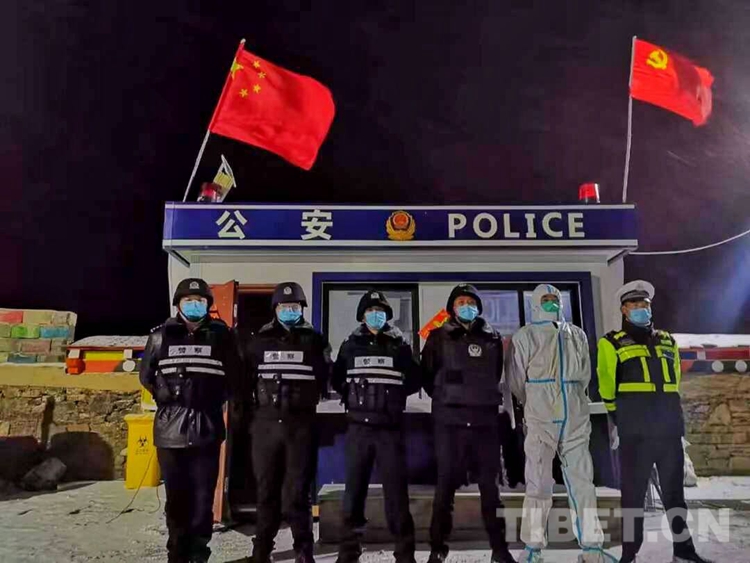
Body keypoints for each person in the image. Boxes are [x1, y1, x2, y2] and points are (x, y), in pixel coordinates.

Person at [597, 280, 713, 563]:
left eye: (645, 304)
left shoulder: (667, 340)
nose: (641, 309)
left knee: (675, 495)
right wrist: (620, 419)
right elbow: (606, 385)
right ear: (624, 310)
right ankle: (629, 553)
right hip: (635, 433)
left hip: (668, 430)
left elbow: (675, 380)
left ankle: (683, 552)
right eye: (635, 304)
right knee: (633, 496)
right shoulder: (611, 342)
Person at [506, 284, 612, 563]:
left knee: (583, 483)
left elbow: (585, 374)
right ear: (535, 303)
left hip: (575, 417)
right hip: (541, 418)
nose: (552, 303)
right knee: (538, 482)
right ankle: (533, 547)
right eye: (546, 299)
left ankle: (592, 548)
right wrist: (536, 401)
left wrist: (572, 397)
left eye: (555, 298)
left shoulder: (576, 334)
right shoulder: (525, 336)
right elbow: (516, 381)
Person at [139, 278, 242, 563]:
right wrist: (161, 392)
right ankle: (176, 554)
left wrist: (215, 397)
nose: (195, 305)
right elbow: (146, 375)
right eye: (188, 301)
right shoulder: (160, 336)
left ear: (208, 305)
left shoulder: (222, 336)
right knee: (176, 500)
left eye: (200, 301)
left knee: (202, 500)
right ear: (178, 304)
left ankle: (198, 555)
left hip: (207, 428)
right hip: (169, 431)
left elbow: (235, 378)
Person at [422, 283, 516, 563]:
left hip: (484, 423)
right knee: (445, 488)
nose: (466, 306)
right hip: (449, 423)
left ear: (478, 307)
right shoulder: (437, 336)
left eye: (471, 302)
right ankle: (437, 549)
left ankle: (499, 549)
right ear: (452, 308)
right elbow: (427, 376)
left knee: (491, 489)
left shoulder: (492, 337)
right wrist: (448, 397)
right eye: (461, 302)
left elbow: (495, 373)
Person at [332, 290, 422, 563]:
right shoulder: (350, 345)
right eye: (371, 311)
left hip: (389, 430)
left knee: (396, 495)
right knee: (353, 494)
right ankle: (348, 553)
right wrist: (357, 400)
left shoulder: (399, 345)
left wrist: (391, 398)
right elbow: (337, 379)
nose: (376, 315)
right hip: (358, 429)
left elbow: (415, 378)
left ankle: (405, 555)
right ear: (362, 316)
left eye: (380, 311)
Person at [244, 282, 332, 563]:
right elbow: (244, 382)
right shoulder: (258, 342)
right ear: (275, 309)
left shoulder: (315, 341)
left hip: (301, 426)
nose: (289, 311)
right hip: (266, 426)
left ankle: (303, 552)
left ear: (301, 309)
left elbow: (325, 378)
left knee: (298, 493)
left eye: (294, 307)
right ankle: (261, 550)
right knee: (266, 492)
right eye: (284, 306)